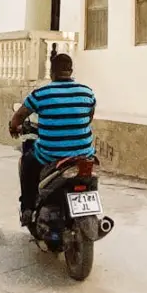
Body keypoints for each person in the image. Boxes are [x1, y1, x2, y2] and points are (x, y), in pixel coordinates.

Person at [9, 53, 96, 225]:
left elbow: (18, 116)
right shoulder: (87, 92)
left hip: (51, 155)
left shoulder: (41, 94)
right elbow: (89, 117)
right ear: (71, 71)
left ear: (52, 72)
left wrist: (14, 127)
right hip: (84, 155)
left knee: (28, 161)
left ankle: (27, 208)